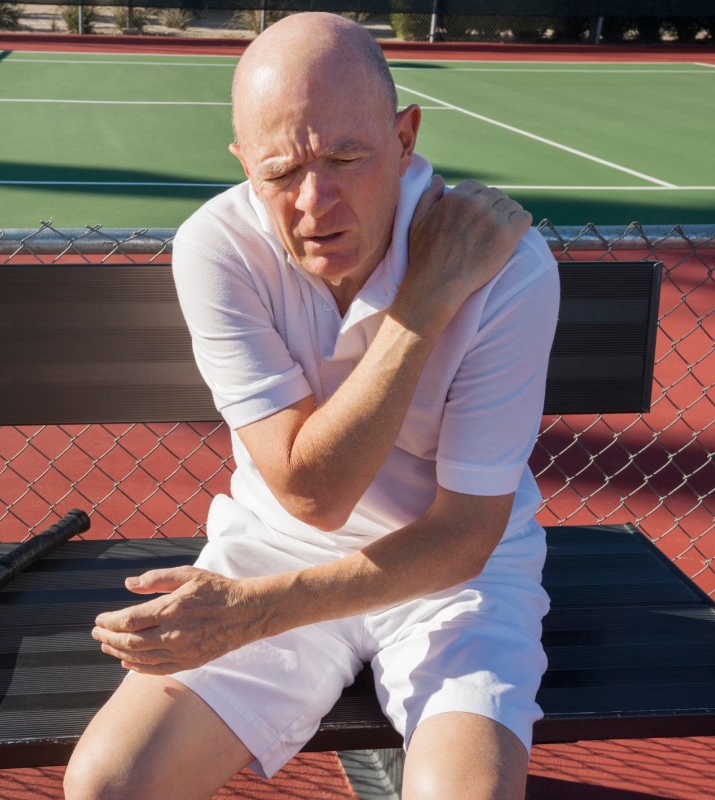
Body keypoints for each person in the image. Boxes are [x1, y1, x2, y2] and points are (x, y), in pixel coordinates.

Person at [64, 12, 558, 800]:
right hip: (278, 550)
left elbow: (465, 536)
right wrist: (427, 300)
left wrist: (252, 615)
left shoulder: (508, 268)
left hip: (453, 576)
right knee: (108, 785)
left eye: (346, 156)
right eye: (280, 172)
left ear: (405, 138)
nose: (314, 202)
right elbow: (310, 495)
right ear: (241, 166)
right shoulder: (218, 247)